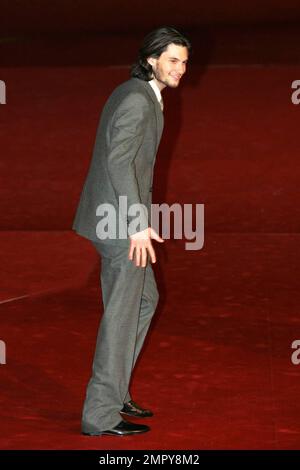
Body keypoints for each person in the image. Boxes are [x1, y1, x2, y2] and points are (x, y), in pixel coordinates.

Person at [72, 26, 191, 436]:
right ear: (151, 60)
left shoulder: (138, 94)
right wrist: (137, 224)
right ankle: (100, 415)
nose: (181, 68)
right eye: (173, 60)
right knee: (122, 316)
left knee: (143, 301)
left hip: (114, 216)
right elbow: (119, 163)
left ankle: (116, 391)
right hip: (119, 224)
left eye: (185, 61)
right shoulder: (138, 102)